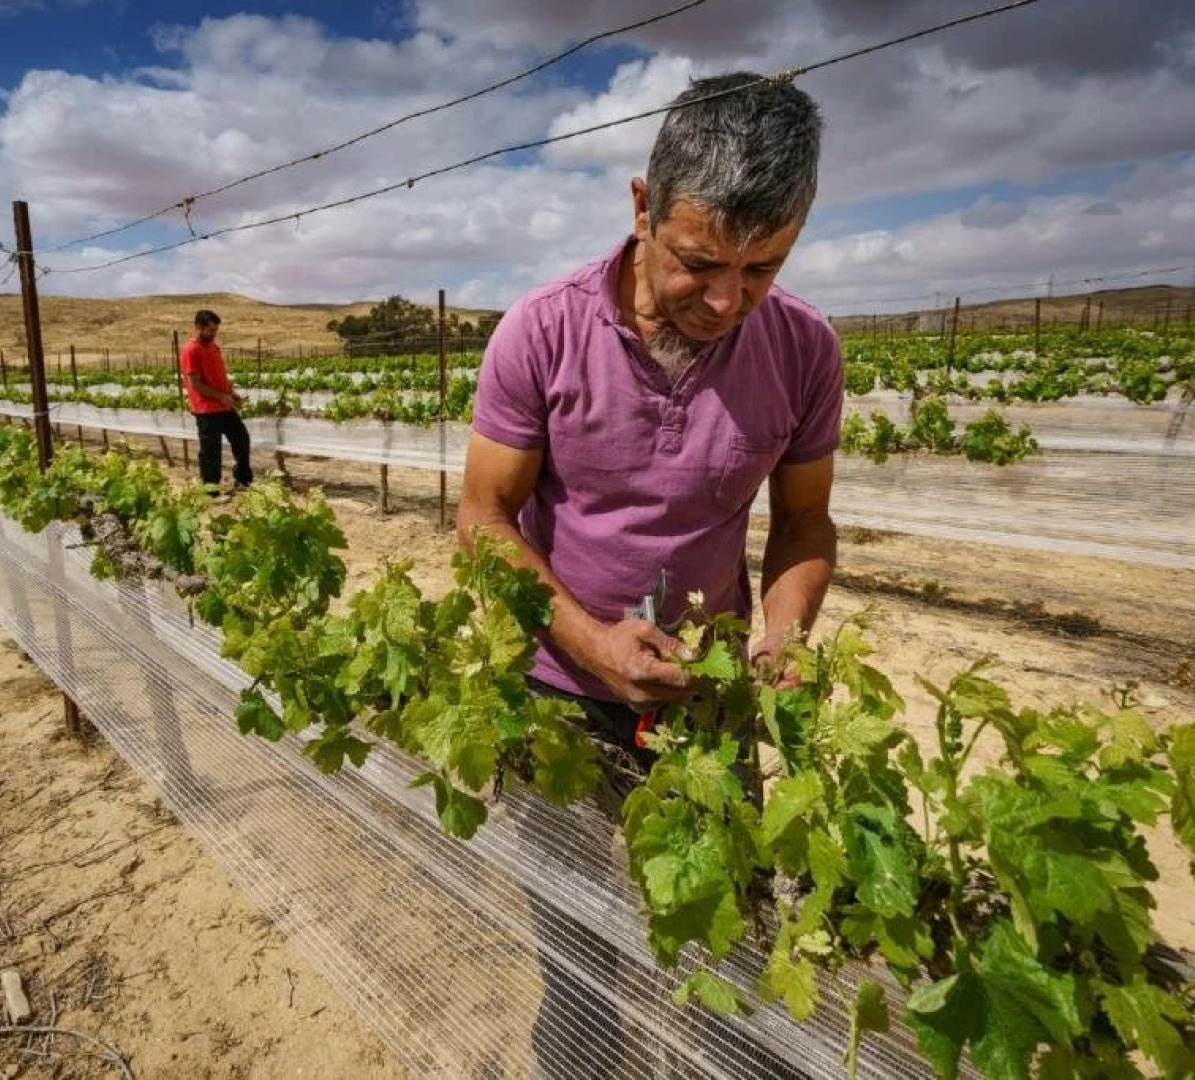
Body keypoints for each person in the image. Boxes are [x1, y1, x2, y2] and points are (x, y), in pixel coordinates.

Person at [456, 73, 841, 1076]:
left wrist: (782, 633)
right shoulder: (538, 332)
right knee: (575, 950)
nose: (727, 300)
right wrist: (587, 642)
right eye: (700, 262)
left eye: (761, 269)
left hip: (707, 704)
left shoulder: (803, 350)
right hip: (555, 698)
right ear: (640, 206)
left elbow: (802, 522)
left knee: (724, 936)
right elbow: (482, 518)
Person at [180, 309, 254, 492]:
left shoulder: (214, 347)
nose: (214, 334)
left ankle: (243, 481)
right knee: (211, 452)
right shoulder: (191, 350)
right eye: (210, 330)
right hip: (206, 410)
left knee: (242, 440)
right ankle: (211, 492)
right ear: (199, 327)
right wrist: (222, 396)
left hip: (224, 406)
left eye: (215, 330)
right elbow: (196, 384)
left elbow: (219, 376)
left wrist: (231, 393)